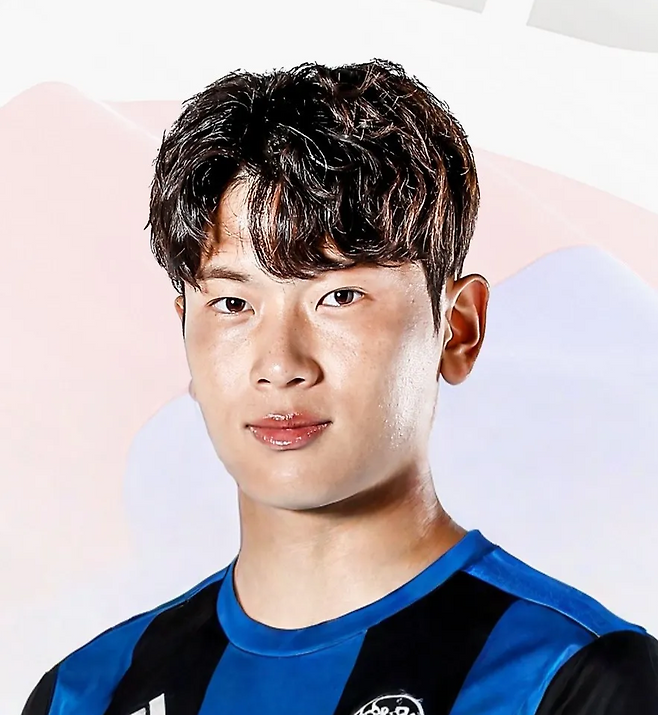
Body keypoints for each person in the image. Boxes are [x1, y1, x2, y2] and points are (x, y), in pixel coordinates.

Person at [22, 60, 658, 715]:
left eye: (340, 296)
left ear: (458, 328)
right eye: (233, 304)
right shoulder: (86, 691)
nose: (281, 364)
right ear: (185, 331)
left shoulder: (573, 677)